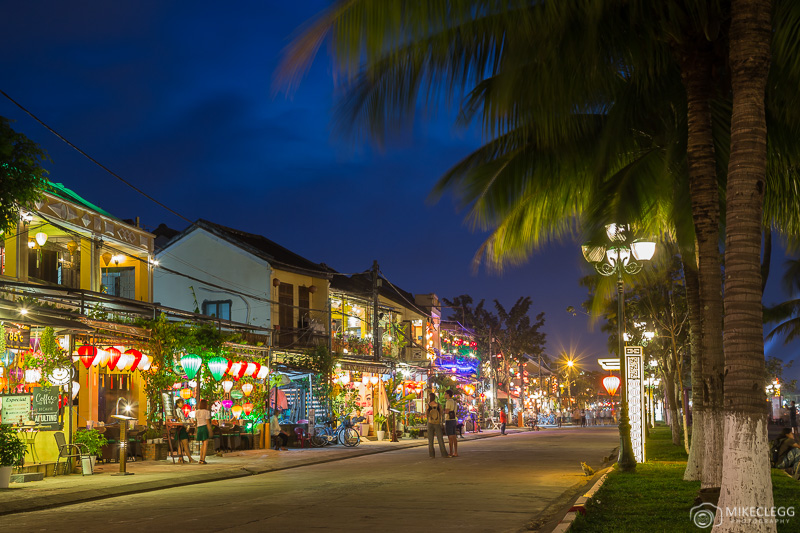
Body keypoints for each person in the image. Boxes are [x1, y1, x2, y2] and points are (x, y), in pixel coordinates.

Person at [426, 392, 449, 458]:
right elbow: (441, 414)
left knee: (430, 440)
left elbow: (426, 414)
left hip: (430, 423)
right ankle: (444, 454)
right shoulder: (439, 405)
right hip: (437, 423)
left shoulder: (428, 405)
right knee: (440, 439)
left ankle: (432, 455)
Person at [173, 399, 195, 464]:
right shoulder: (178, 410)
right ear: (177, 404)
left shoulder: (179, 410)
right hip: (181, 428)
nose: (182, 404)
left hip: (181, 427)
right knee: (185, 444)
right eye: (181, 403)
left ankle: (180, 458)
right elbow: (180, 419)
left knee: (181, 444)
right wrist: (185, 426)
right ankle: (190, 458)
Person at [194, 399, 212, 464]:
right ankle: (203, 459)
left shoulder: (197, 412)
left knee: (202, 444)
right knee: (205, 444)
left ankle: (200, 458)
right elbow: (207, 422)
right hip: (204, 427)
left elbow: (196, 421)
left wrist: (196, 430)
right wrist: (210, 430)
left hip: (199, 427)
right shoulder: (206, 412)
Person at [444, 389, 459, 457]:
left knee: (450, 437)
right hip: (453, 419)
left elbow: (447, 411)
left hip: (449, 420)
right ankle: (455, 452)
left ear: (448, 395)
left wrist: (442, 411)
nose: (444, 395)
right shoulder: (454, 402)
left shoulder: (448, 402)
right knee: (454, 436)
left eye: (445, 394)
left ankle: (450, 452)